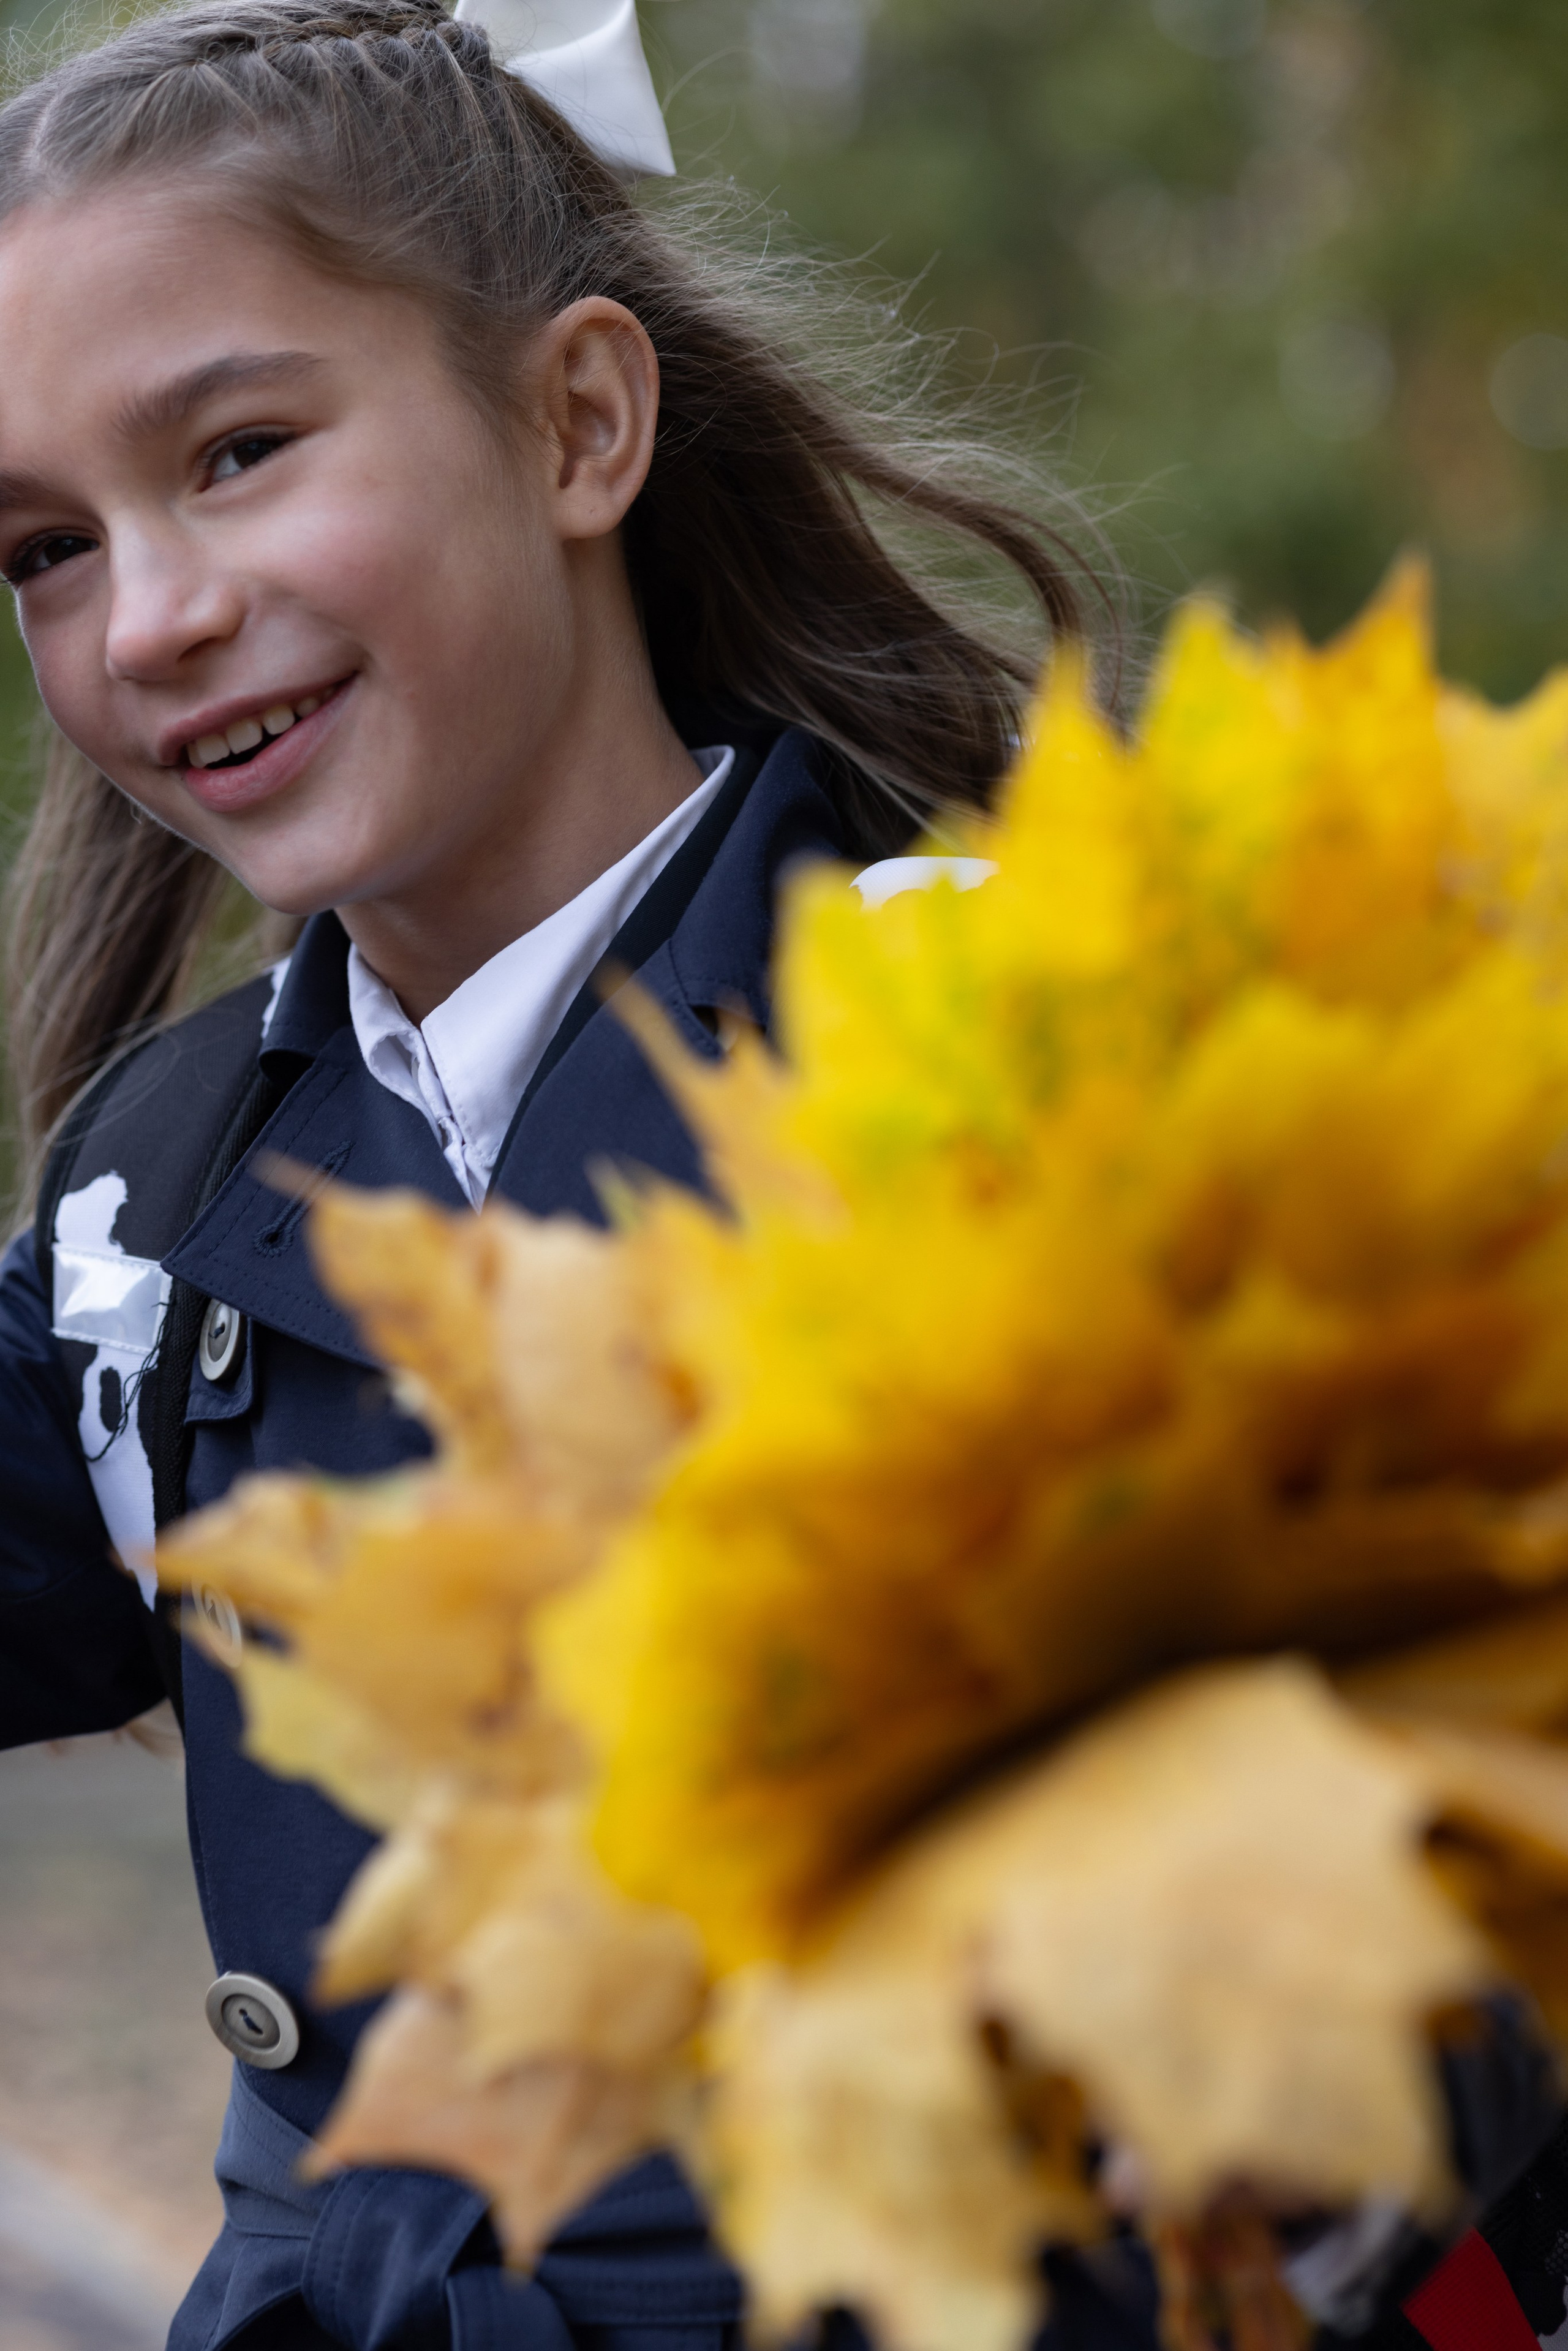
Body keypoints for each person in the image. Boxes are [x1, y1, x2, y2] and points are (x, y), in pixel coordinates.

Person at [0, 4, 1558, 2346]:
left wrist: (1341, 2097)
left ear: (581, 421)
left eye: (236, 451)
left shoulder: (1035, 1039)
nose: (148, 616)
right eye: (41, 548)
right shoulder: (154, 1199)